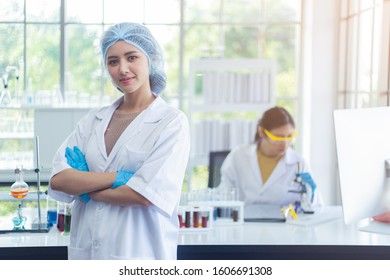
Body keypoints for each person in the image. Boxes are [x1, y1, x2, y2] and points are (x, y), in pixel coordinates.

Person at [48, 22, 190, 260]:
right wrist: (117, 179)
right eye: (113, 61)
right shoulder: (93, 121)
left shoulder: (171, 122)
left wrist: (86, 188)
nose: (123, 69)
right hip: (88, 255)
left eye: (131, 57)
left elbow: (143, 196)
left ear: (152, 59)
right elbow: (59, 179)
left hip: (139, 255)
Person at [217, 106, 322, 208]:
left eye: (289, 136)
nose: (285, 144)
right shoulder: (238, 156)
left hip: (286, 224)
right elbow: (223, 194)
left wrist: (311, 195)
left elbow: (317, 206)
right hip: (245, 223)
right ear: (262, 132)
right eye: (278, 137)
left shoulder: (299, 163)